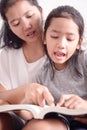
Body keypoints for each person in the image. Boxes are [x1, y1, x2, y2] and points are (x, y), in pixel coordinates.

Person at [22, 5, 87, 130]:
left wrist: (85, 105)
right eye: (54, 37)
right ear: (44, 38)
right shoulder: (41, 74)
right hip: (59, 122)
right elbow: (33, 112)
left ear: (79, 43)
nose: (61, 44)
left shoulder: (83, 60)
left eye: (70, 39)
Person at [0, 0, 54, 130]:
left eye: (29, 16)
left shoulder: (63, 49)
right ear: (9, 26)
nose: (26, 26)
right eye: (16, 23)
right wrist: (24, 90)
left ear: (40, 11)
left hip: (52, 121)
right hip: (15, 119)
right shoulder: (6, 56)